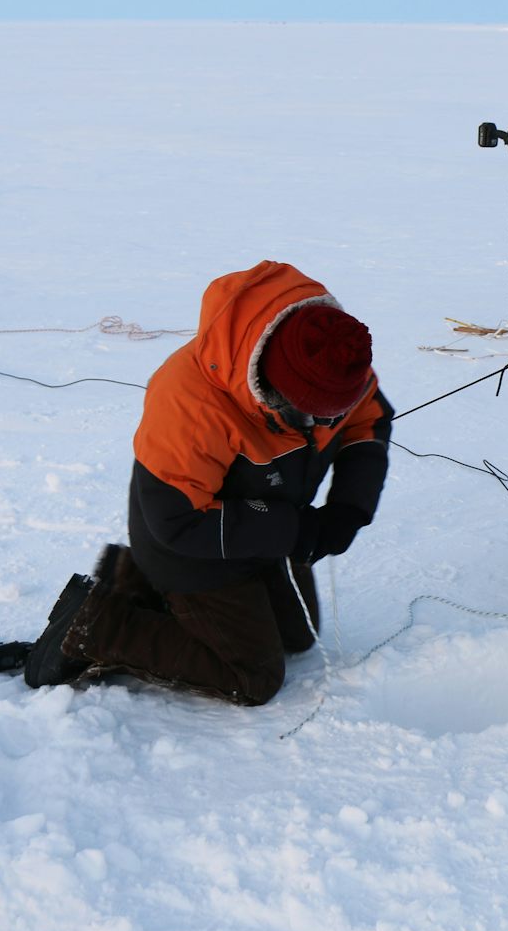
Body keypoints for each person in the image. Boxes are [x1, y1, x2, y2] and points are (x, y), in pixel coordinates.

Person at [24, 261, 391, 705]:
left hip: (264, 523)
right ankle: (98, 625)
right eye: (311, 415)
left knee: (299, 637)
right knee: (253, 676)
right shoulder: (189, 403)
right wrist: (295, 530)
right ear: (273, 388)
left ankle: (134, 581)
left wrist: (349, 510)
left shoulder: (332, 359)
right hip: (188, 543)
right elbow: (178, 521)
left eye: (332, 414)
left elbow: (369, 421)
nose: (324, 425)